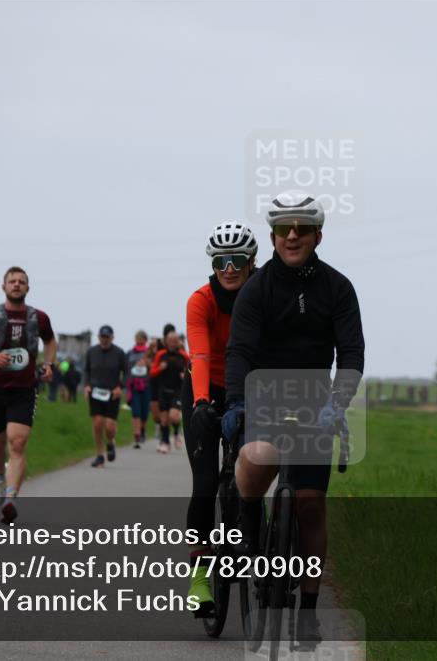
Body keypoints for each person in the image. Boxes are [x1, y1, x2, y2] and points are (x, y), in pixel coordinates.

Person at [222, 195, 365, 645]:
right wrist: (235, 402)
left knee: (309, 504)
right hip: (264, 395)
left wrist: (338, 403)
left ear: (316, 236)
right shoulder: (256, 289)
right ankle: (248, 515)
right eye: (284, 229)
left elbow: (352, 354)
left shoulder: (338, 288)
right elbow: (240, 350)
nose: (292, 235)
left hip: (316, 403)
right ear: (273, 237)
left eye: (302, 228)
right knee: (259, 455)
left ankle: (307, 612)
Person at [181, 221, 258, 614]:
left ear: (252, 261)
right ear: (213, 264)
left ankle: (251, 537)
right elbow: (198, 354)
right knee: (207, 482)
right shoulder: (200, 300)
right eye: (221, 261)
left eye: (238, 260)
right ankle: (199, 581)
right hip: (206, 388)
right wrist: (199, 402)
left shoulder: (265, 293)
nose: (229, 268)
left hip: (249, 388)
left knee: (255, 467)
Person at [0, 266, 56, 524]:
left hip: (25, 388)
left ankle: (11, 499)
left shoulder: (39, 317)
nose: (17, 285)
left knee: (18, 442)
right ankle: (0, 476)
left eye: (22, 281)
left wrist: (49, 364)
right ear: (4, 286)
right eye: (12, 281)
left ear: (28, 288)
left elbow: (50, 341)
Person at [83, 326, 126, 467]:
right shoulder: (91, 352)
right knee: (97, 424)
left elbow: (127, 374)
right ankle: (100, 455)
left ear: (112, 338)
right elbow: (86, 371)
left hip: (112, 393)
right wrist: (87, 385)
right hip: (95, 392)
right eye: (102, 337)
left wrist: (120, 387)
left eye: (107, 337)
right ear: (99, 337)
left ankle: (110, 442)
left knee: (109, 427)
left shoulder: (119, 353)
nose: (105, 339)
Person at [150, 330, 188, 454]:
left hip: (177, 390)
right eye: (170, 341)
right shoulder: (160, 355)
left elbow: (192, 370)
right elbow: (152, 373)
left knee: (174, 416)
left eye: (175, 341)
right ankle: (165, 442)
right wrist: (160, 368)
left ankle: (177, 433)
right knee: (164, 419)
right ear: (166, 342)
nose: (172, 343)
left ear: (178, 342)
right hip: (163, 390)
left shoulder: (183, 356)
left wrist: (186, 375)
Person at [126, 330, 151, 448]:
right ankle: (137, 434)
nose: (139, 340)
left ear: (145, 340)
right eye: (137, 338)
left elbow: (154, 366)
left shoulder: (149, 352)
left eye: (141, 338)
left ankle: (142, 430)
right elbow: (126, 368)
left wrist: (147, 363)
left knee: (145, 412)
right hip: (133, 385)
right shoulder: (130, 353)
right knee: (136, 411)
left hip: (146, 385)